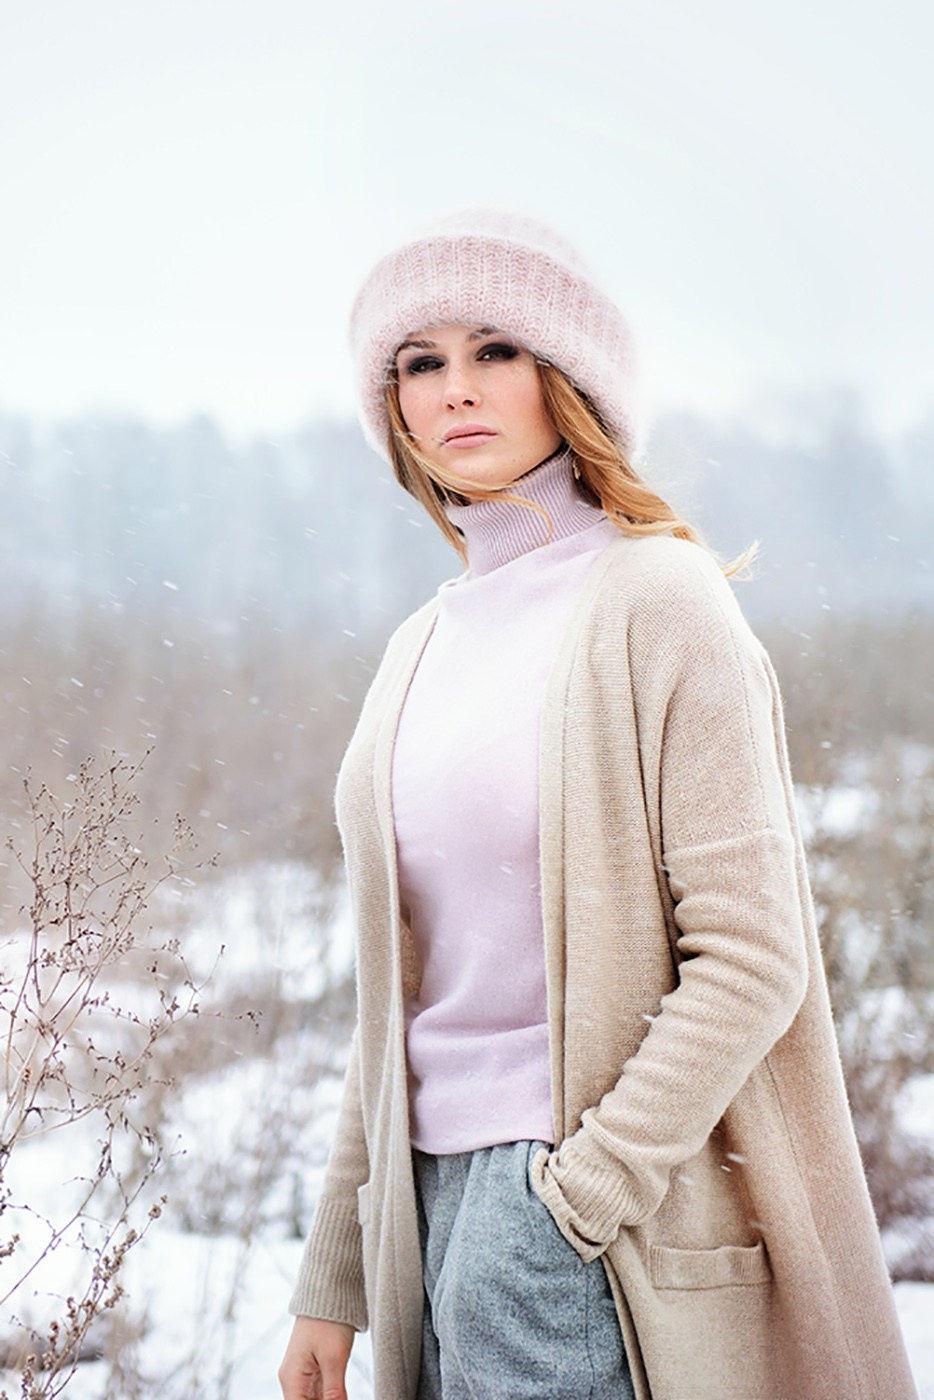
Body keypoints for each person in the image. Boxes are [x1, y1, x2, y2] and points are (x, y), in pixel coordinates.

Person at [278, 210, 916, 1400]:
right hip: (423, 1211)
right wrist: (338, 1271)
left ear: (564, 377)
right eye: (421, 363)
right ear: (394, 406)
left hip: (581, 1213)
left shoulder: (654, 599)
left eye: (495, 350)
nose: (456, 390)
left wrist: (576, 1194)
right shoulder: (419, 644)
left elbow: (753, 951)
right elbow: (400, 998)